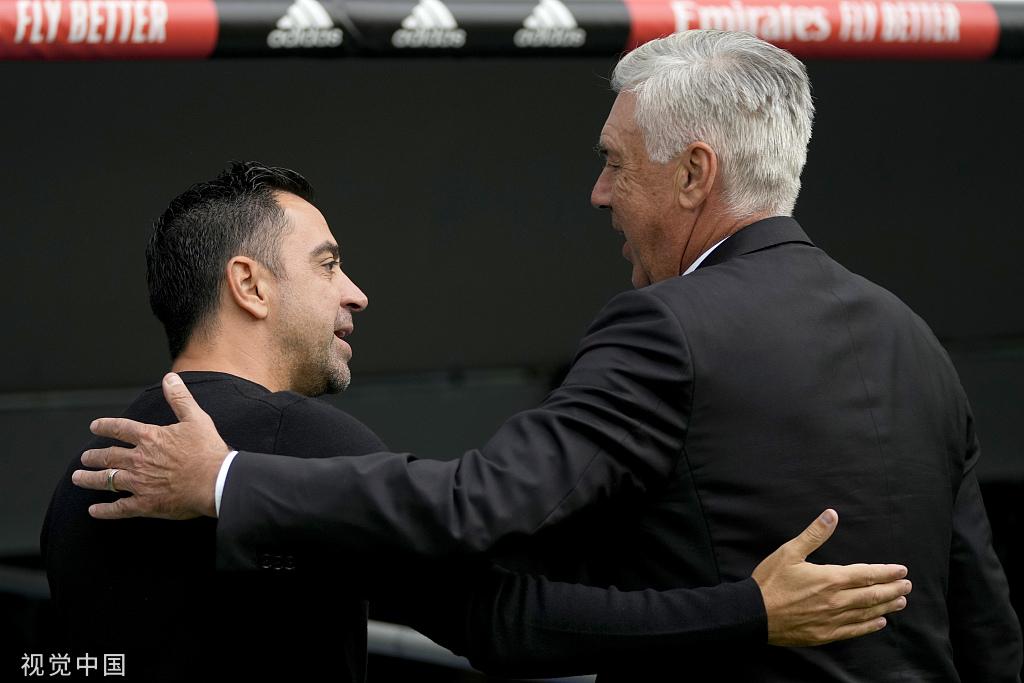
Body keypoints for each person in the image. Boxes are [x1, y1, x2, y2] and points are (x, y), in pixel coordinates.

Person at [74, 30, 1022, 679]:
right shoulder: (916, 342)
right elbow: (986, 623)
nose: (599, 193)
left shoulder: (667, 327)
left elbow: (480, 509)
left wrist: (228, 479)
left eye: (616, 161)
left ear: (694, 173)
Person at [47, 161, 909, 682]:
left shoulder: (79, 480)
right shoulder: (295, 442)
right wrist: (747, 610)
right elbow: (506, 621)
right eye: (329, 263)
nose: (356, 292)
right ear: (249, 284)